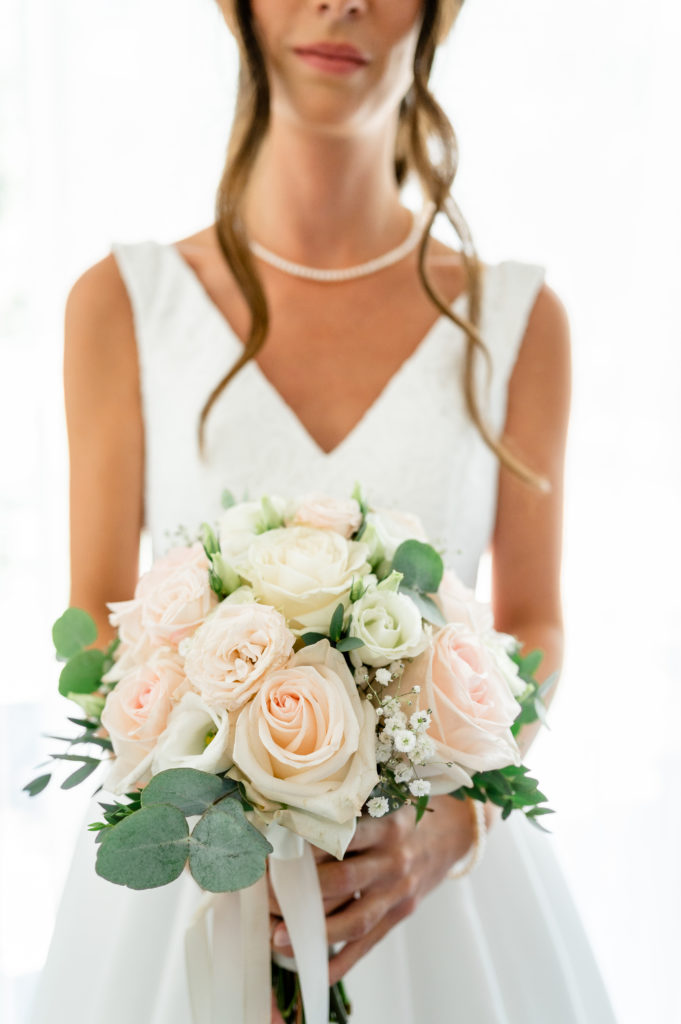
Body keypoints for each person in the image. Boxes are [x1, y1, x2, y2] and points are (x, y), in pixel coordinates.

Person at [28, 1, 618, 1022]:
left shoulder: (519, 324)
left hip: (434, 891)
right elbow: (92, 615)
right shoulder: (121, 305)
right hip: (192, 894)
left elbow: (536, 621)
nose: (340, 0)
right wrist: (204, 793)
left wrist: (454, 824)